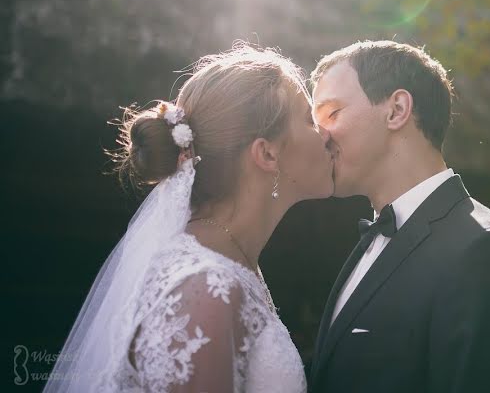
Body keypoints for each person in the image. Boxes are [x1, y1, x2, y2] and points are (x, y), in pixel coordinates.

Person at [45, 43, 333, 392]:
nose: (326, 131)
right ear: (267, 153)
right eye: (308, 118)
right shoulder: (205, 289)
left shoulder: (232, 263)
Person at [308, 40, 490, 393]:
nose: (319, 136)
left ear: (396, 110)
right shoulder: (369, 243)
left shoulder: (486, 251)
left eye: (332, 114)